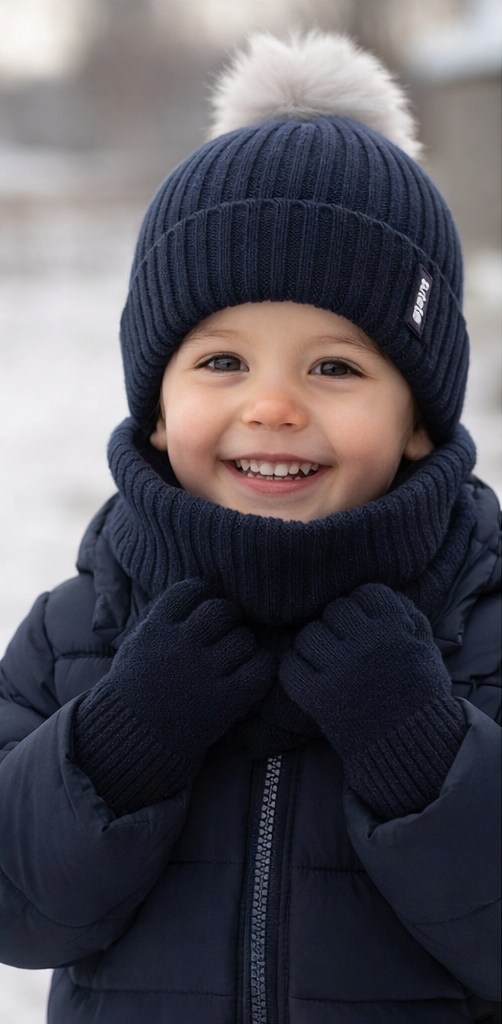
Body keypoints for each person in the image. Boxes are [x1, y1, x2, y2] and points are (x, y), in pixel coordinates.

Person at [0, 29, 500, 1024]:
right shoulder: (80, 630)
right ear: (153, 404)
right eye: (222, 362)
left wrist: (423, 754)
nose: (271, 406)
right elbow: (18, 913)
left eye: (335, 366)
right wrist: (120, 746)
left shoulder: (481, 623)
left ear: (417, 421)